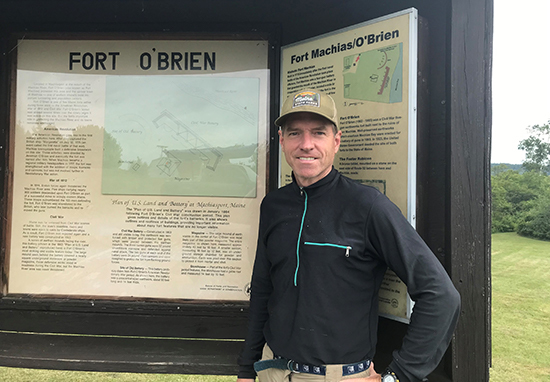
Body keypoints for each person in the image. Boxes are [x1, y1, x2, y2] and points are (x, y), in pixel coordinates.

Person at [237, 89, 460, 382]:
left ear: (336, 141)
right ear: (282, 141)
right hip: (272, 371)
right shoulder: (274, 205)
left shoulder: (368, 206)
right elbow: (264, 288)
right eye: (295, 134)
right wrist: (246, 369)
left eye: (318, 133)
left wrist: (399, 375)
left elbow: (441, 295)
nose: (306, 145)